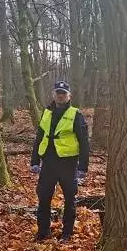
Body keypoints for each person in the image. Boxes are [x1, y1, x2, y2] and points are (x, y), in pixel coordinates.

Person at [30, 80, 89, 241]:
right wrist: (34, 161)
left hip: (68, 163)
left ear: (69, 95)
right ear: (53, 94)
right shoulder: (47, 112)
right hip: (48, 162)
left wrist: (83, 166)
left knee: (70, 199)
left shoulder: (76, 114)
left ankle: (67, 233)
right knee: (43, 197)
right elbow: (39, 137)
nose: (60, 96)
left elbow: (84, 141)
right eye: (58, 93)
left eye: (63, 93)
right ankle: (43, 232)